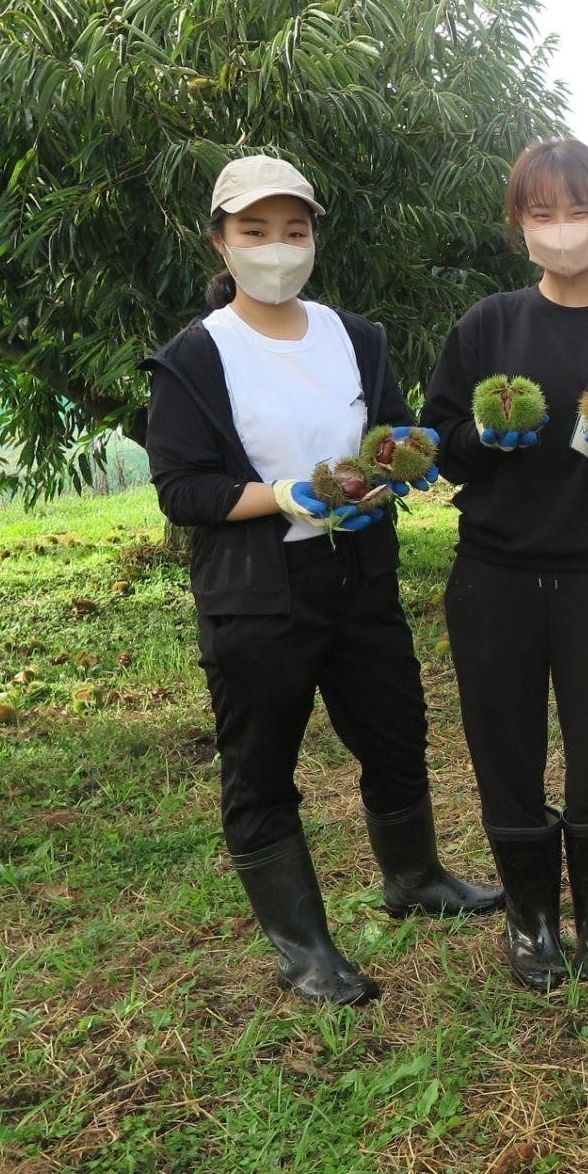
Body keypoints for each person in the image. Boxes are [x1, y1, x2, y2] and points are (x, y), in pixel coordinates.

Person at [145, 153, 500, 1007]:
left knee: (394, 729)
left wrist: (399, 459)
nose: (277, 248)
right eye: (256, 231)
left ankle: (413, 877)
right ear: (220, 242)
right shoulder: (196, 357)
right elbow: (182, 489)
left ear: (313, 239)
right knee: (261, 765)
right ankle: (304, 949)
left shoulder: (356, 336)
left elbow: (385, 429)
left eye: (294, 231)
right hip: (260, 594)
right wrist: (282, 495)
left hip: (359, 573)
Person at [419, 138, 588, 992]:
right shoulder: (489, 325)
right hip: (495, 575)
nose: (563, 228)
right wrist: (484, 440)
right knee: (505, 745)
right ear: (519, 225)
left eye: (578, 208)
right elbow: (443, 441)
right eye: (543, 212)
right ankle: (532, 916)